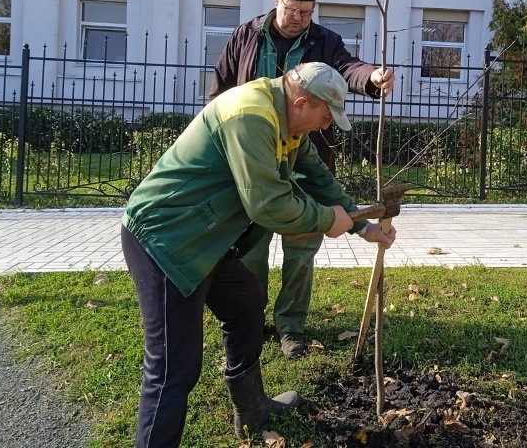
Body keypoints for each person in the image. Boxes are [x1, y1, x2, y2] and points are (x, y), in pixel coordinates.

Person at [121, 62, 396, 446]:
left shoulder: (285, 118)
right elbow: (268, 206)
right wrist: (325, 220)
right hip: (167, 238)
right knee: (173, 367)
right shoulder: (250, 116)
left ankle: (251, 409)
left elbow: (316, 178)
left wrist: (360, 224)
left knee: (247, 302)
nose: (325, 126)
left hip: (208, 237)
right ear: (301, 102)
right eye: (324, 116)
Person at [209, 0, 395, 358]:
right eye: (291, 9)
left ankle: (291, 327)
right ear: (276, 2)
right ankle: (250, 319)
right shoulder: (245, 36)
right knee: (249, 251)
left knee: (300, 251)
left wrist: (371, 78)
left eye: (306, 11)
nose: (298, 19)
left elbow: (346, 68)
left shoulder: (324, 40)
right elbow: (222, 89)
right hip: (253, 161)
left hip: (302, 156)